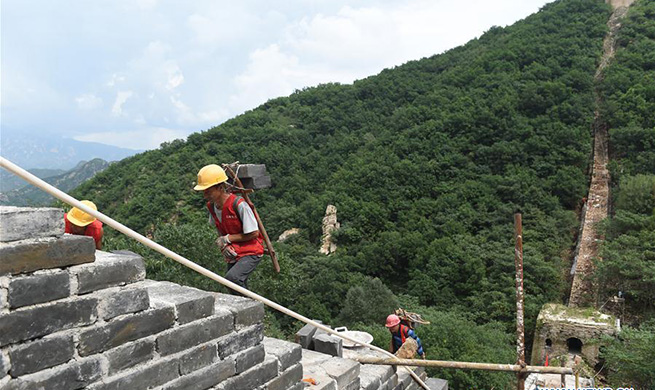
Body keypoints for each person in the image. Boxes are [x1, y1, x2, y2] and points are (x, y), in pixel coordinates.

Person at [194, 164, 264, 290]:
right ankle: (248, 307)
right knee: (232, 284)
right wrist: (224, 245)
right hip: (235, 252)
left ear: (220, 187)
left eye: (208, 191)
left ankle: (250, 306)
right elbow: (219, 228)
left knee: (232, 279)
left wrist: (227, 239)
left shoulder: (239, 205)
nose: (205, 196)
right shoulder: (212, 207)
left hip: (251, 251)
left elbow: (254, 233)